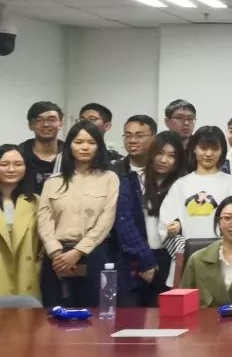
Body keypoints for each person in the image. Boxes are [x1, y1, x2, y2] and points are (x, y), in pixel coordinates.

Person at [37, 121, 119, 307]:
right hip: (56, 258)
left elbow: (106, 220)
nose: (85, 147)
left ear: (99, 146)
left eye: (91, 142)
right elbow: (44, 220)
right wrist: (56, 252)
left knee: (93, 315)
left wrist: (78, 252)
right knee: (54, 315)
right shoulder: (53, 182)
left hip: (92, 255)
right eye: (79, 142)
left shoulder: (109, 178)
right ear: (69, 146)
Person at [112, 131, 186, 306]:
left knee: (167, 313)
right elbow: (125, 222)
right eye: (159, 153)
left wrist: (180, 225)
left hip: (170, 257)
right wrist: (145, 260)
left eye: (171, 155)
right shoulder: (133, 181)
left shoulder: (184, 185)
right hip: (137, 257)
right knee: (133, 314)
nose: (164, 160)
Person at [159, 125, 232, 244]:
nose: (208, 154)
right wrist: (174, 227)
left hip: (223, 251)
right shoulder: (180, 184)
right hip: (189, 252)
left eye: (215, 149)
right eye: (203, 148)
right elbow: (165, 223)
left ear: (222, 151)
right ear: (194, 148)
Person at [0, 144, 40, 299]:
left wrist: (37, 268)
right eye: (4, 164)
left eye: (18, 164)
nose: (11, 169)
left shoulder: (35, 201)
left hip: (26, 276)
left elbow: (43, 246)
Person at [20, 101, 64, 194]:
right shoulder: (19, 154)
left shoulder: (70, 154)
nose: (45, 124)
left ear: (61, 124)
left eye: (51, 119)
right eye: (39, 120)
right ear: (30, 125)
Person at [111, 114, 157, 180]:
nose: (132, 140)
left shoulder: (163, 167)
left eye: (140, 136)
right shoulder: (112, 169)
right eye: (128, 136)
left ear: (154, 138)